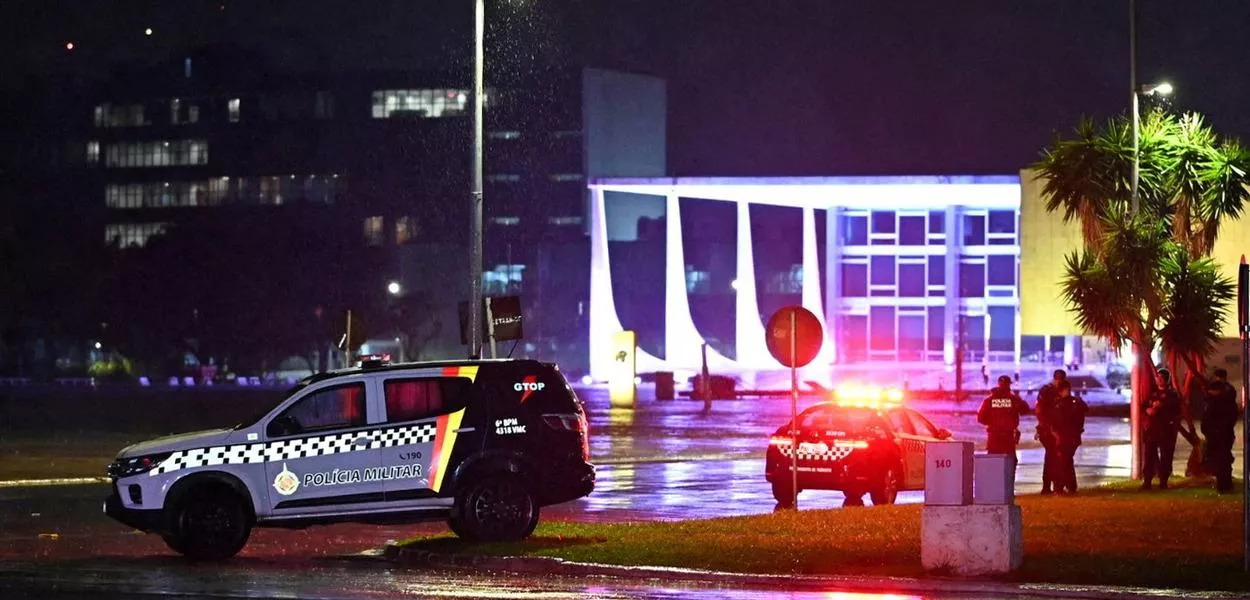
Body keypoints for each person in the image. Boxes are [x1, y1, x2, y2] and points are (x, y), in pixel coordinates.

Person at [978, 375, 1031, 475]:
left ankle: (994, 485)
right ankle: (1007, 486)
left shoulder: (989, 400)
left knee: (993, 462)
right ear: (1009, 385)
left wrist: (993, 423)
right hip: (1008, 436)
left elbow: (980, 418)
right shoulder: (1013, 399)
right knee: (1010, 463)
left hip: (994, 436)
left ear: (998, 385)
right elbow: (1026, 410)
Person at [1142, 368, 1182, 490]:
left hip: (1166, 430)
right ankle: (1147, 482)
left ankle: (1163, 481)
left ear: (1166, 380)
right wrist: (1149, 410)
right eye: (1157, 378)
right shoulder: (1152, 393)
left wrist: (1162, 406)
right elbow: (1144, 406)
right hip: (1152, 430)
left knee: (1166, 456)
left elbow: (1176, 409)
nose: (1158, 380)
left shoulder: (1172, 394)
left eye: (1161, 378)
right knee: (1149, 455)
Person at [1201, 368, 1240, 493]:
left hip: (1220, 435)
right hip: (1221, 434)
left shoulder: (1221, 400)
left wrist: (1211, 431)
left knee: (1221, 461)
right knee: (1223, 460)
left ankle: (1224, 486)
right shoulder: (1221, 400)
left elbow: (1210, 419)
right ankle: (1225, 485)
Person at [1051, 380, 1088, 495]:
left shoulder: (1063, 403)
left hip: (1066, 437)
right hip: (1069, 436)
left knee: (1063, 462)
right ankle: (1069, 486)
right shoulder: (1073, 402)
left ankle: (1060, 487)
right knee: (1066, 461)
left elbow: (1056, 421)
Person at [1035, 369, 1066, 495]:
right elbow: (1040, 411)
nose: (1059, 382)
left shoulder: (1054, 391)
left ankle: (1051, 486)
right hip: (1048, 431)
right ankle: (1049, 487)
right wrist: (1049, 429)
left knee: (1052, 458)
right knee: (1052, 458)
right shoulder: (1047, 391)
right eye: (1059, 380)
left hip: (1052, 429)